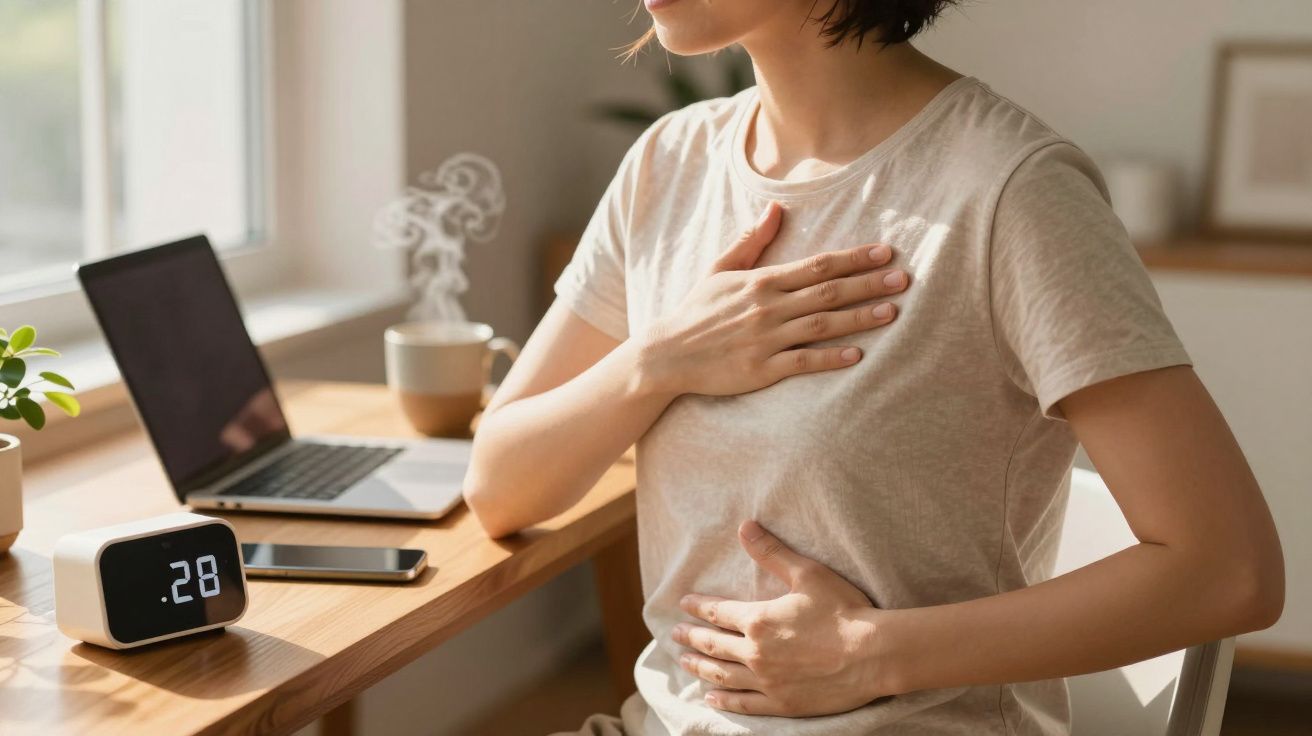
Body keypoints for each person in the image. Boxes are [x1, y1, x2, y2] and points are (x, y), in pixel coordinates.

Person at [462, 1, 1286, 733]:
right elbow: (501, 486)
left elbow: (1229, 569)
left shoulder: (1010, 193)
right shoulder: (669, 164)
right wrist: (661, 359)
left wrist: (872, 655)